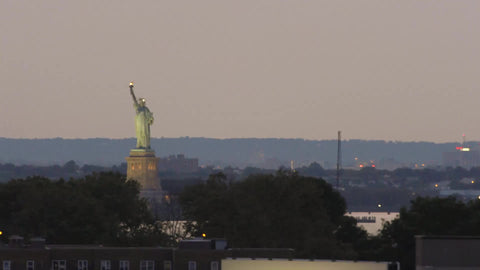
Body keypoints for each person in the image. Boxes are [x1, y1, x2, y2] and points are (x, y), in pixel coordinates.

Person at [129, 83, 154, 149]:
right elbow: (134, 98)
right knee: (140, 134)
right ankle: (140, 145)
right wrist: (131, 90)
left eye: (144, 102)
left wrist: (151, 119)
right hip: (139, 123)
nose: (143, 103)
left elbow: (150, 117)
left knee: (145, 134)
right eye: (142, 102)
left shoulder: (146, 109)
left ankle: (146, 145)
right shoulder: (138, 108)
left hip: (145, 124)